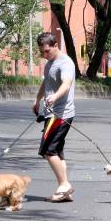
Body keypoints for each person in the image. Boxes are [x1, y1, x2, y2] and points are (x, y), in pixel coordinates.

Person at [31, 32, 76, 203]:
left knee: (47, 151)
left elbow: (66, 84)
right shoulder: (50, 63)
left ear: (56, 45)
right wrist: (37, 99)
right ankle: (65, 191)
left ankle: (64, 185)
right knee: (56, 152)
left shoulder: (65, 63)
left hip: (60, 114)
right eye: (42, 52)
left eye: (47, 51)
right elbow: (46, 82)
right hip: (51, 113)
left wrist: (55, 97)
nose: (44, 55)